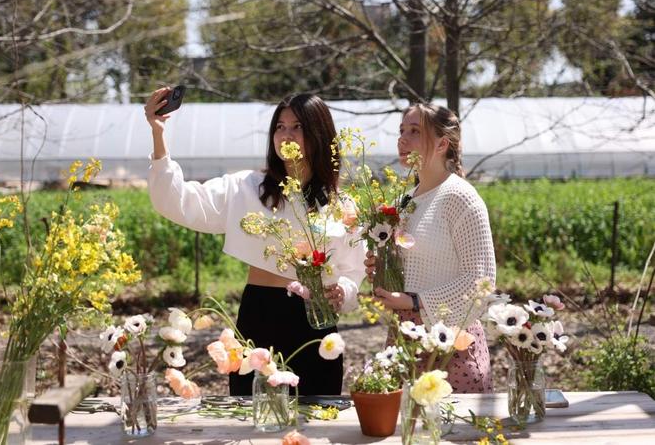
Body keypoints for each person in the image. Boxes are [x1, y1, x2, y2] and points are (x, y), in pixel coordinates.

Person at [144, 90, 366, 395]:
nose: (285, 135)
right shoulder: (246, 188)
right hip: (260, 315)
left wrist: (342, 291)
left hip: (316, 324)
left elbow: (353, 273)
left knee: (316, 419)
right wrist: (158, 135)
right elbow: (179, 201)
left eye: (297, 127)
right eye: (279, 127)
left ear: (319, 133)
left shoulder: (342, 204)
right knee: (251, 422)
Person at [365, 102, 494, 393]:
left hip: (453, 347)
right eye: (401, 130)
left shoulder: (460, 197)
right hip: (405, 342)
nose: (402, 138)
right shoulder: (405, 200)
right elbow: (413, 267)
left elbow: (481, 282)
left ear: (442, 144)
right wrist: (382, 270)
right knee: (405, 435)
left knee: (455, 436)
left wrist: (412, 301)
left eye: (414, 131)